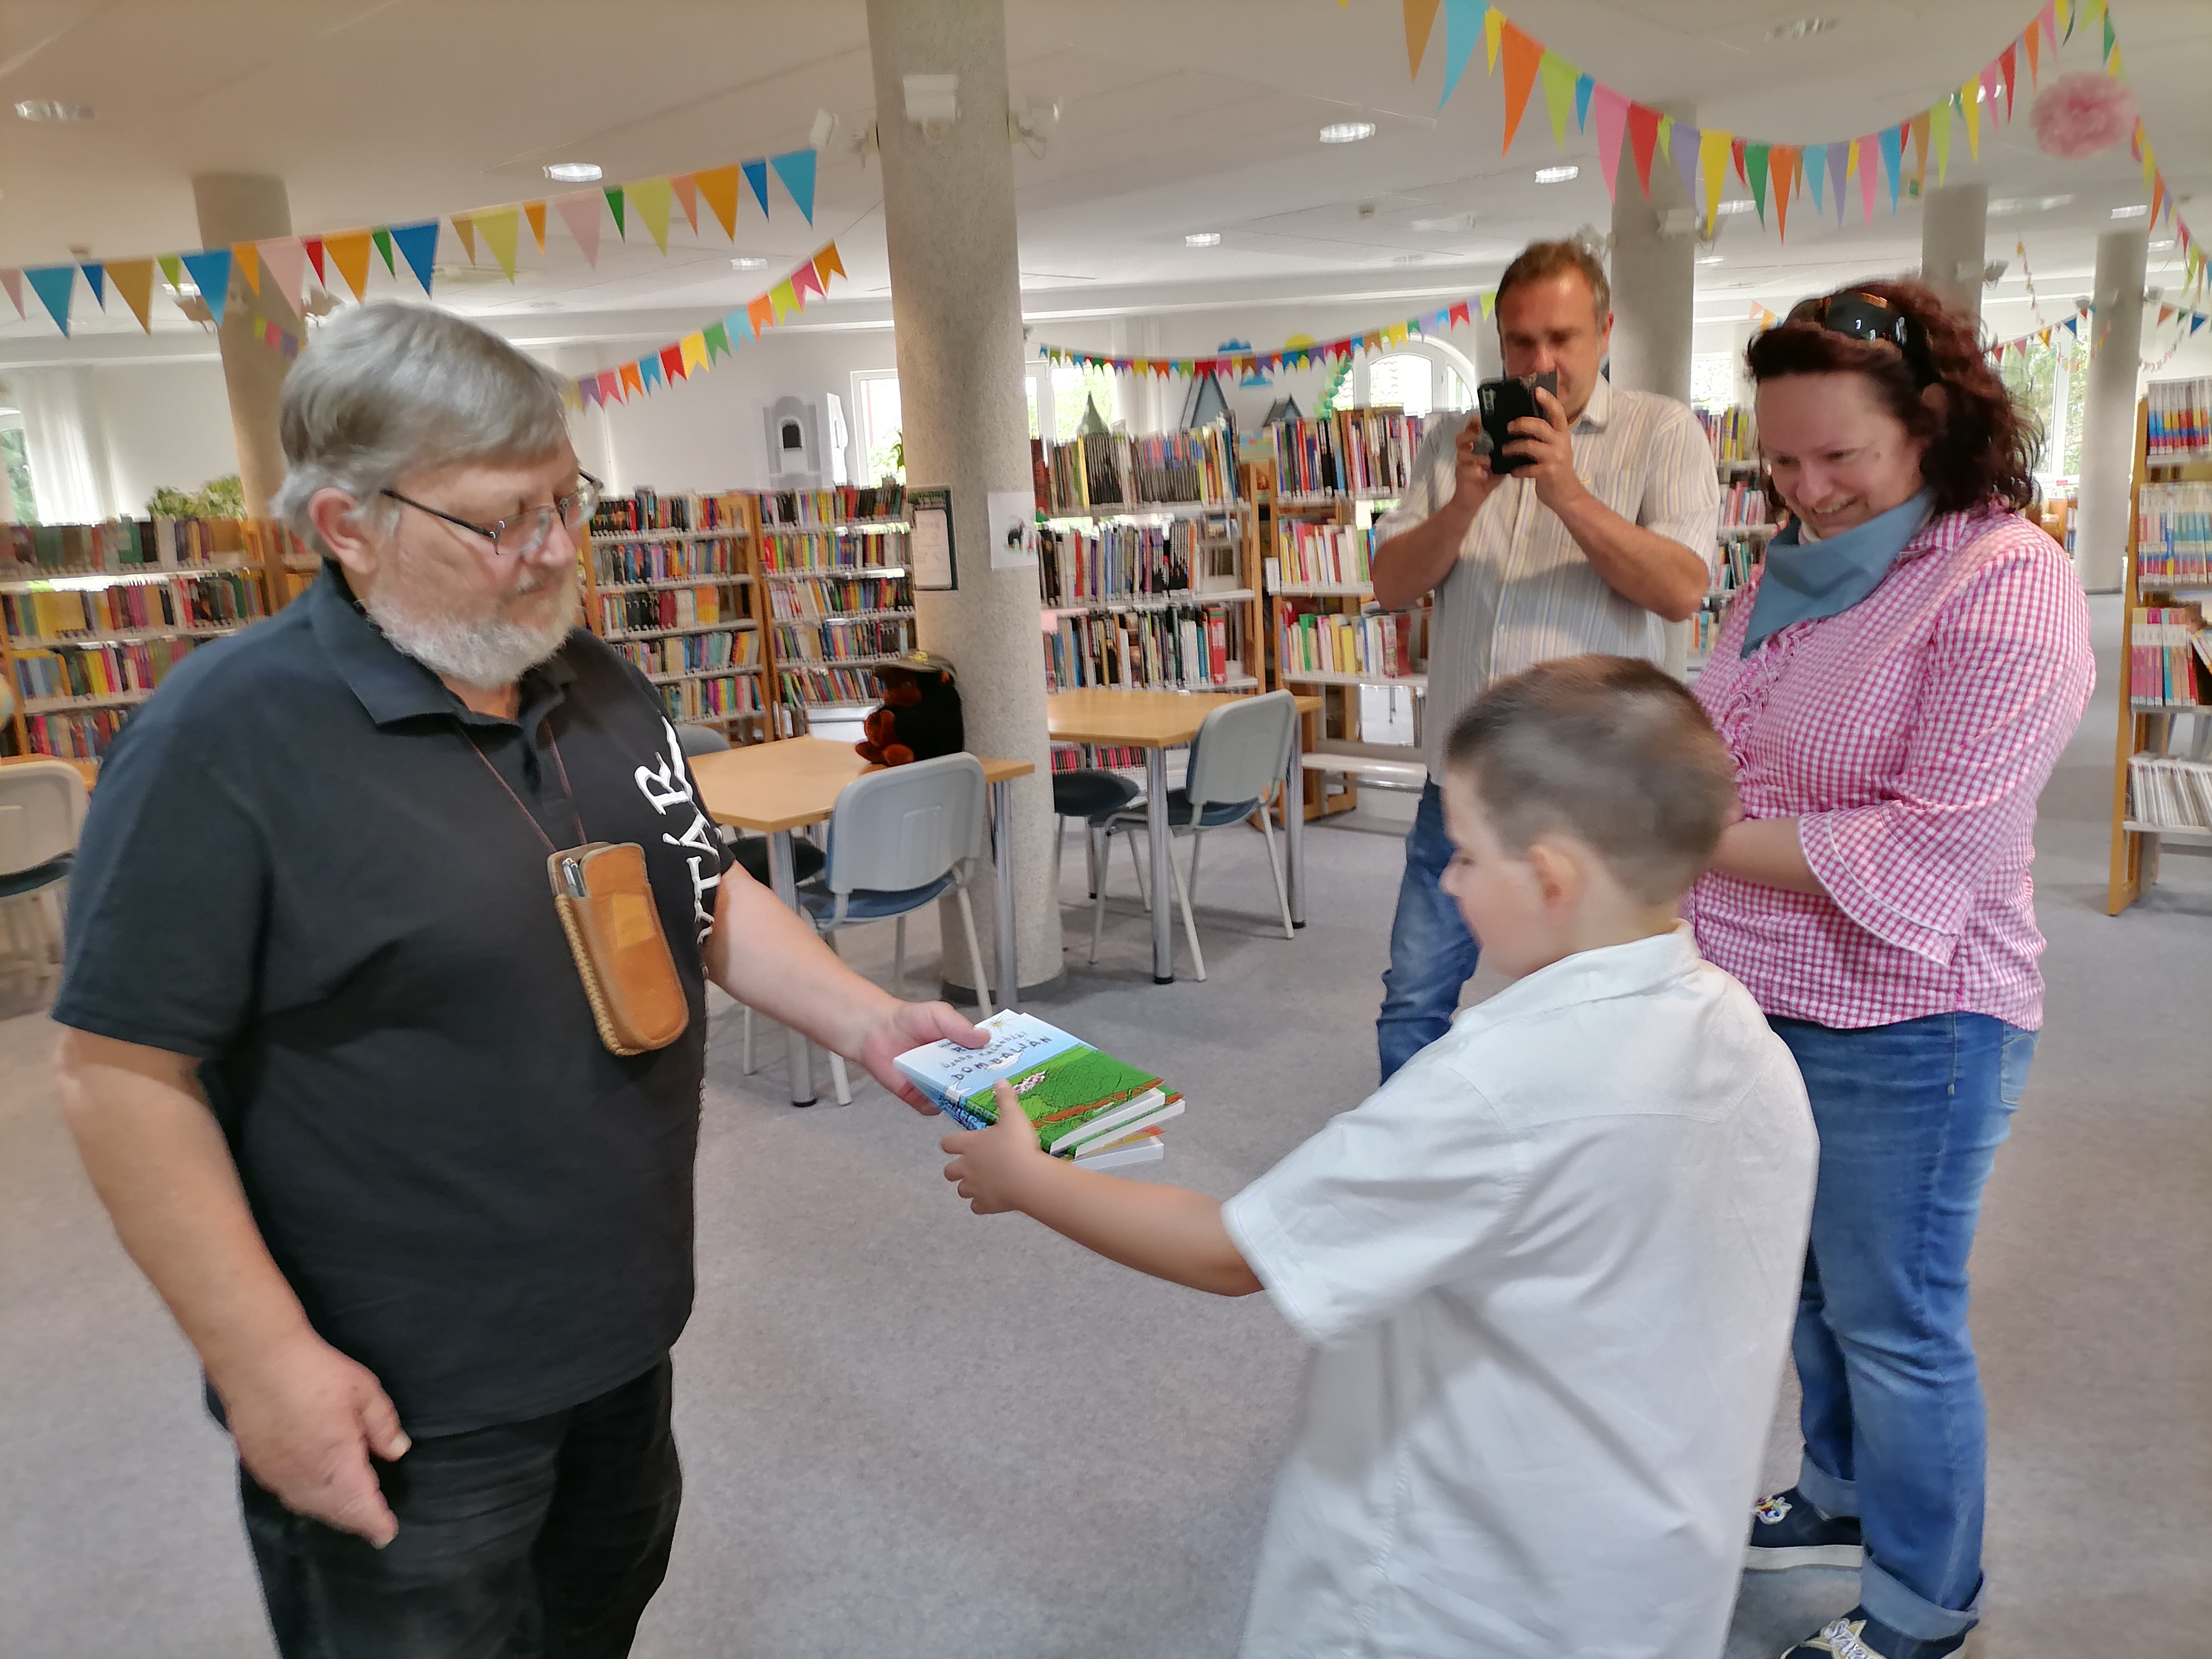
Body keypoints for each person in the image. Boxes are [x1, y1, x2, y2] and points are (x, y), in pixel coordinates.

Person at [50, 302, 982, 1659]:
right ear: (348, 525)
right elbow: (119, 1077)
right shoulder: (221, 738)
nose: (553, 550)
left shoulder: (593, 675)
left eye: (565, 500)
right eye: (502, 520)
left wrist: (871, 1016)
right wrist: (261, 1363)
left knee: (598, 1615)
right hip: (399, 1386)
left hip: (620, 1327)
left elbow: (698, 889)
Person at [943, 655, 1817, 1659]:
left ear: (1551, 878)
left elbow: (1233, 1253)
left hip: (1469, 1589)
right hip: (1656, 1559)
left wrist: (1032, 1179)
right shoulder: (1744, 1034)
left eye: (1468, 855)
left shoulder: (1494, 1084)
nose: (1447, 878)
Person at [1689, 282, 2094, 1659]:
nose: (1807, 491)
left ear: (1929, 425)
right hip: (1758, 987)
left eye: (1839, 457)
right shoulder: (1787, 570)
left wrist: (1678, 834)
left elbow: (1936, 845)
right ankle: (1837, 1495)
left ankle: (1923, 1603)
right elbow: (1723, 736)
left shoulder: (2005, 582)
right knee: (1805, 1287)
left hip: (1912, 1014)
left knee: (1893, 1316)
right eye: (1779, 461)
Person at [1370, 237, 1720, 1081]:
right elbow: (1390, 585)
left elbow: (1680, 590)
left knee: (1597, 1009)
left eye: (1562, 338)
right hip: (1461, 786)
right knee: (1414, 994)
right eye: (1520, 342)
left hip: (1597, 792)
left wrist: (1565, 490)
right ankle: (1416, 1157)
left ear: (1605, 331)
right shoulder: (1451, 441)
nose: (1540, 362)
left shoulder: (1663, 432)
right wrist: (1464, 504)